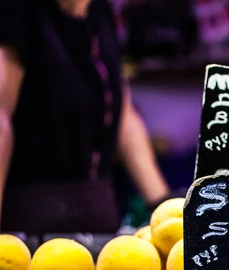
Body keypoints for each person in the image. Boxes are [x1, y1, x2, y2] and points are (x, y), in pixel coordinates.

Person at [0, 0, 170, 233]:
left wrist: (164, 207)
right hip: (29, 222)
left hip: (101, 217)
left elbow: (124, 116)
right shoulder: (17, 12)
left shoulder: (99, 10)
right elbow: (1, 120)